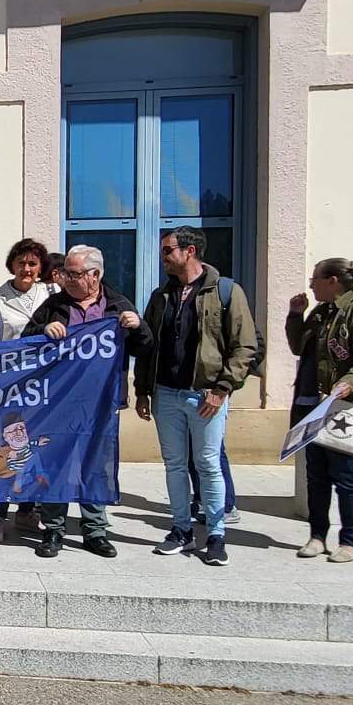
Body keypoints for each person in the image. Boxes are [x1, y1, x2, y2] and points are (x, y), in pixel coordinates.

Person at [136, 226, 258, 567]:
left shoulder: (226, 291)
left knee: (208, 463)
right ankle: (181, 530)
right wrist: (143, 390)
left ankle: (216, 534)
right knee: (174, 464)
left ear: (190, 251)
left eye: (167, 251)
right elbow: (148, 346)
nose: (163, 257)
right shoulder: (161, 296)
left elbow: (245, 346)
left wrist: (222, 389)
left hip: (206, 396)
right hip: (167, 394)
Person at [21, 245, 147, 559]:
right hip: (59, 401)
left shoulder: (116, 306)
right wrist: (43, 329)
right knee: (56, 463)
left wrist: (138, 326)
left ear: (95, 275)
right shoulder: (54, 305)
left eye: (74, 274)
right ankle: (53, 530)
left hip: (101, 401)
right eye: (66, 273)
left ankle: (95, 531)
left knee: (95, 465)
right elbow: (25, 341)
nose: (67, 279)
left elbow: (145, 347)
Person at [287, 258, 353, 564]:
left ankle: (349, 541)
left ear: (333, 281)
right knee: (315, 476)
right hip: (313, 405)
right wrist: (295, 315)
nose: (310, 284)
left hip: (345, 406)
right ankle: (317, 536)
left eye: (315, 279)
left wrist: (347, 383)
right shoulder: (320, 313)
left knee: (344, 476)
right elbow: (297, 347)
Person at [0, 238, 51, 542]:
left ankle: (28, 511)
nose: (27, 269)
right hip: (7, 384)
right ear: (12, 265)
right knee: (7, 447)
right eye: (22, 263)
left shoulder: (52, 293)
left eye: (33, 263)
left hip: (43, 383)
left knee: (37, 448)